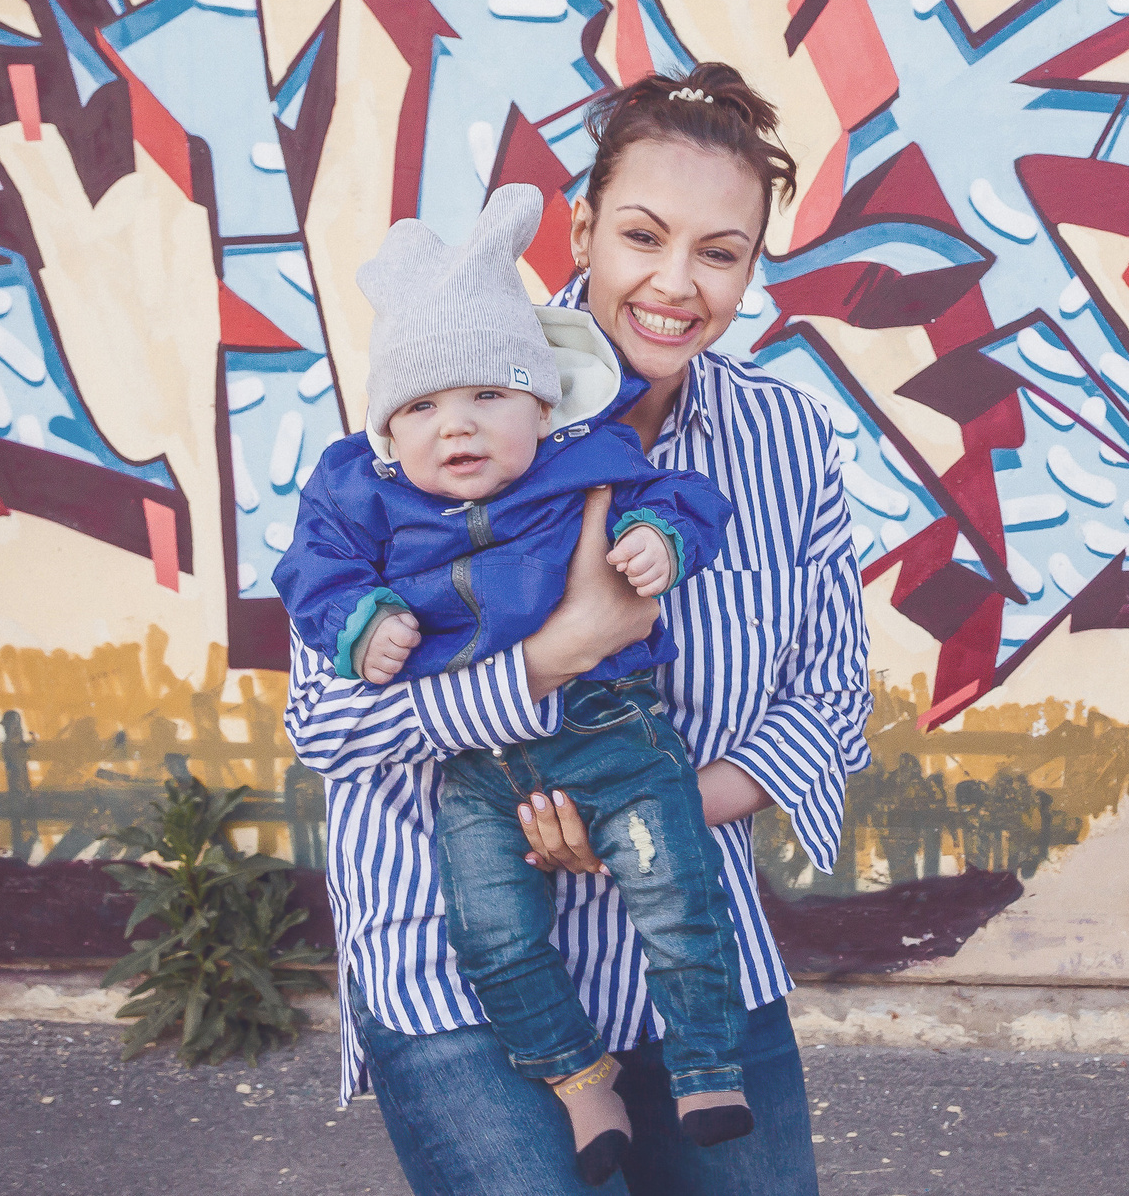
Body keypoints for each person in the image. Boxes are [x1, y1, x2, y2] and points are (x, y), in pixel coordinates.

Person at [285, 63, 869, 1196]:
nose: (675, 284)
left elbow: (831, 701)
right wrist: (556, 655)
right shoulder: (431, 406)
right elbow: (328, 724)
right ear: (584, 226)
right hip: (455, 963)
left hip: (691, 958)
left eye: (720, 252)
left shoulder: (787, 440)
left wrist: (655, 812)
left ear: (753, 266)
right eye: (643, 236)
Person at [272, 181, 749, 1186]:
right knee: (490, 929)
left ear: (540, 401)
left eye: (490, 395)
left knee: (676, 895)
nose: (459, 426)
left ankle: (709, 1063)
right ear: (386, 436)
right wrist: (360, 621)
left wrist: (660, 538)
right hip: (475, 771)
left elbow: (686, 497)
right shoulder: (359, 495)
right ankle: (581, 1081)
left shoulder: (583, 463)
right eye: (422, 406)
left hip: (611, 734)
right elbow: (312, 581)